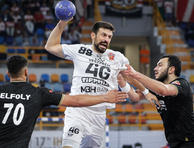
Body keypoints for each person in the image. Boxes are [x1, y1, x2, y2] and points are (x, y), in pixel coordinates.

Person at [45, 18, 158, 148]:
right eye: (103, 35)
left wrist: (146, 92)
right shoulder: (79, 50)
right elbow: (50, 46)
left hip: (99, 115)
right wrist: (63, 22)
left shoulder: (117, 57)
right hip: (77, 111)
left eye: (109, 37)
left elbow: (130, 76)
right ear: (93, 35)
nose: (106, 39)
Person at [0, 55, 128, 148]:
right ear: (26, 72)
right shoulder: (38, 93)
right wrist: (105, 97)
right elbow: (76, 101)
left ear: (8, 74)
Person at [122, 55, 194, 148]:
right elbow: (135, 97)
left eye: (160, 65)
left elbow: (163, 90)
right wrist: (120, 79)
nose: (155, 68)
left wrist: (135, 74)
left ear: (171, 70)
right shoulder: (156, 89)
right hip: (174, 143)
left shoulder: (182, 84)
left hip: (191, 142)